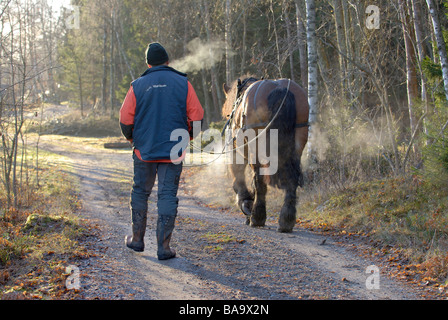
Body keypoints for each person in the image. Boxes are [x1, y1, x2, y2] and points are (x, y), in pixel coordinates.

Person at [119, 42, 204, 260]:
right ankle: (164, 248)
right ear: (168, 61)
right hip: (172, 151)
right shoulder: (183, 83)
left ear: (148, 63)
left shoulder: (137, 85)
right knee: (167, 195)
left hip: (143, 151)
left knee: (140, 191)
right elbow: (197, 118)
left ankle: (137, 240)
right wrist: (186, 139)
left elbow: (125, 119)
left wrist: (132, 139)